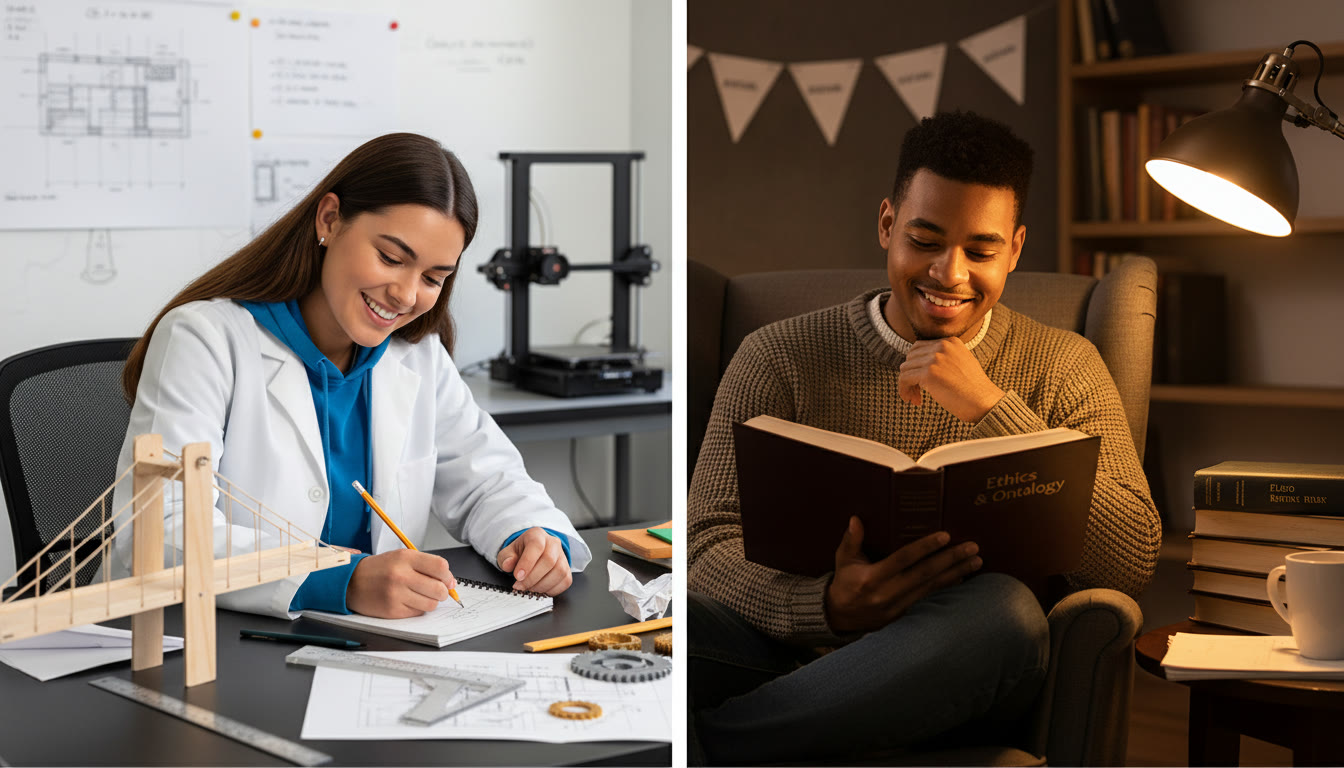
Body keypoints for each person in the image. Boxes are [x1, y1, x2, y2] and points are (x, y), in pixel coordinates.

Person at [687, 111, 1162, 764]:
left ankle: (718, 747)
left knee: (1005, 612)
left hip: (963, 664)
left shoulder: (1064, 364)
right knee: (666, 627)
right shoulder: (777, 355)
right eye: (924, 240)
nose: (949, 274)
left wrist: (990, 406)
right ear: (888, 225)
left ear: (1015, 249)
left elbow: (1131, 560)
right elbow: (704, 544)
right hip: (787, 652)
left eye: (981, 252)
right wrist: (823, 606)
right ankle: (780, 728)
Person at [110, 133, 590, 620]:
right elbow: (158, 530)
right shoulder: (204, 338)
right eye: (391, 258)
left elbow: (487, 480)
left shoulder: (416, 354)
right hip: (200, 635)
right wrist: (339, 578)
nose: (406, 295)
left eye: (433, 278)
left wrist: (531, 537)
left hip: (366, 641)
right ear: (329, 220)